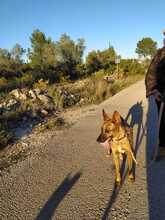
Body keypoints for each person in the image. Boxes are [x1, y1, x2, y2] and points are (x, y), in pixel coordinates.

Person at [145, 30, 165, 157]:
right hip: (162, 93)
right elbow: (151, 73)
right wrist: (154, 90)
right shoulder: (160, 54)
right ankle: (163, 146)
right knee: (163, 121)